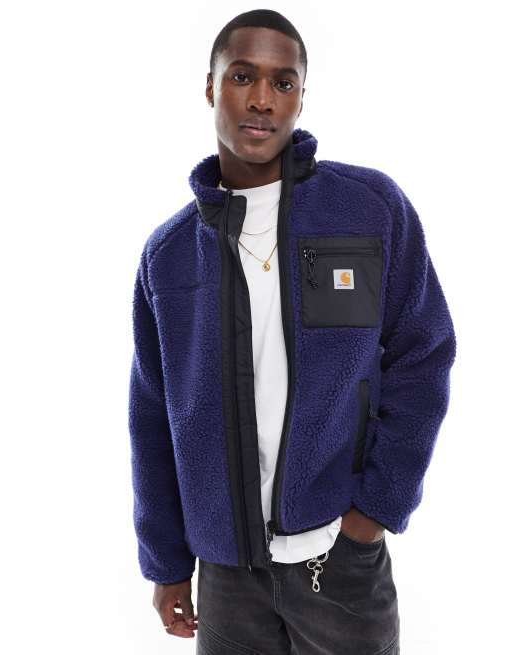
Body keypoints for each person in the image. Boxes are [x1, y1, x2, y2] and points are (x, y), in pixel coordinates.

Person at [128, 9, 456, 654]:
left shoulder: (367, 209)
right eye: (242, 76)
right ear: (210, 87)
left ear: (302, 96)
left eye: (283, 82)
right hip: (225, 572)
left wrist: (374, 512)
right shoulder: (168, 256)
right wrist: (166, 562)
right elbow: (153, 415)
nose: (262, 99)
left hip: (339, 558)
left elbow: (423, 355)